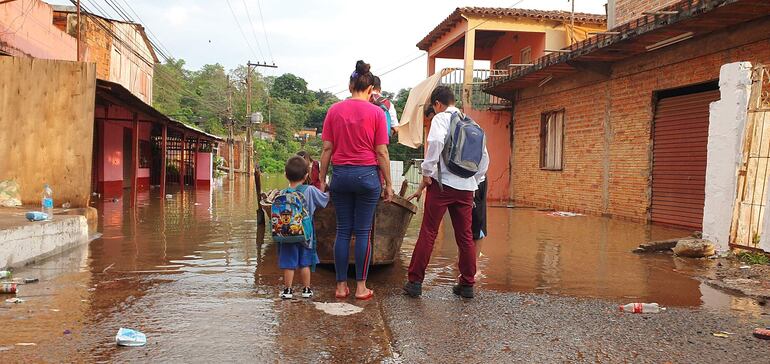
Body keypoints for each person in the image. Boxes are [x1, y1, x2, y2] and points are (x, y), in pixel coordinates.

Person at [404, 86, 489, 299]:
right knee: (466, 236)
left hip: (442, 186)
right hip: (467, 188)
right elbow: (484, 159)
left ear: (437, 104)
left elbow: (435, 143)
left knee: (429, 232)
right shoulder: (473, 124)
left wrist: (427, 172)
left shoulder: (441, 119)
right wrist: (474, 181)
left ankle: (415, 282)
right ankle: (467, 284)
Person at [319, 60, 395, 300]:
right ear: (371, 88)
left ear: (350, 84)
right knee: (363, 233)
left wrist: (322, 179)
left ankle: (341, 287)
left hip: (340, 176)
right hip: (367, 177)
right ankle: (361, 288)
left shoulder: (334, 110)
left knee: (343, 231)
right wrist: (389, 185)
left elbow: (327, 149)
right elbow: (382, 152)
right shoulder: (377, 113)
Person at [274, 156, 329, 299]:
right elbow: (324, 200)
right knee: (305, 263)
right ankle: (306, 290)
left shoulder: (282, 193)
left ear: (285, 175)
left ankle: (287, 291)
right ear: (306, 176)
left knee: (289, 264)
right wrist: (325, 190)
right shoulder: (310, 190)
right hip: (306, 234)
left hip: (286, 234)